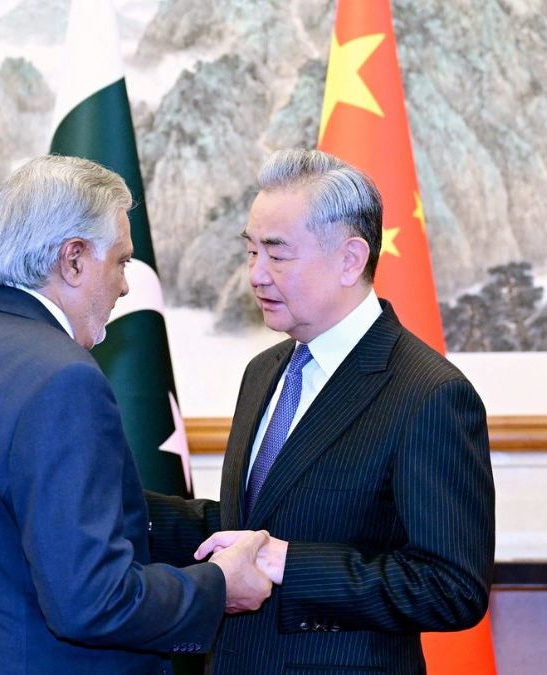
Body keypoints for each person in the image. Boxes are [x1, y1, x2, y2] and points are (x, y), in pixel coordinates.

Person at [0, 155, 272, 674]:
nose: (124, 286)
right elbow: (93, 600)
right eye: (121, 261)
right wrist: (219, 586)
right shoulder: (62, 379)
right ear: (73, 259)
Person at [146, 149, 495, 674]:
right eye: (250, 252)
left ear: (350, 259)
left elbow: (451, 587)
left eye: (277, 254)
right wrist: (120, 504)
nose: (256, 275)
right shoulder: (264, 371)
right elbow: (251, 528)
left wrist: (290, 564)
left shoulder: (429, 393)